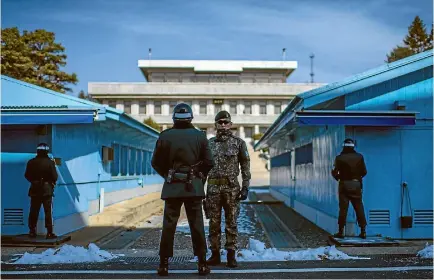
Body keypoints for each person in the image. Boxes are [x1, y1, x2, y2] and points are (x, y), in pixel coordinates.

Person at [151, 103, 214, 276]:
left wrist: (168, 175)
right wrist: (200, 177)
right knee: (197, 225)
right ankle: (202, 263)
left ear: (174, 118)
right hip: (193, 187)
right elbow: (209, 162)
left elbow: (156, 162)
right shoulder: (200, 136)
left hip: (172, 187)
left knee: (169, 225)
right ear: (191, 118)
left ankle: (163, 264)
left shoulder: (165, 136)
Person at [205, 111, 251, 268]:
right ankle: (215, 254)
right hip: (213, 189)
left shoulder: (239, 143)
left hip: (231, 189)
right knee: (213, 223)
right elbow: (203, 168)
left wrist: (245, 187)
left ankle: (231, 255)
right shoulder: (209, 144)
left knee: (231, 222)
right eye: (220, 122)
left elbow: (245, 166)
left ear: (231, 124)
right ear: (215, 125)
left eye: (226, 122)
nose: (223, 125)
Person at [331, 138, 367, 239]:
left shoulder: (339, 158)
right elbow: (364, 172)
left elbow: (334, 172)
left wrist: (339, 178)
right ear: (353, 147)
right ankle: (363, 231)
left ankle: (341, 231)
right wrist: (357, 178)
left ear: (343, 146)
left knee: (343, 209)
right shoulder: (360, 157)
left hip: (344, 184)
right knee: (359, 207)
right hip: (356, 184)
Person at [24, 143, 58, 239]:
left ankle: (32, 231)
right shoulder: (50, 162)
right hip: (47, 190)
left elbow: (26, 175)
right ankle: (49, 232)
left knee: (33, 211)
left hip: (34, 189)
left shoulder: (31, 162)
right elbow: (55, 176)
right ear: (47, 151)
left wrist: (34, 181)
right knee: (48, 212)